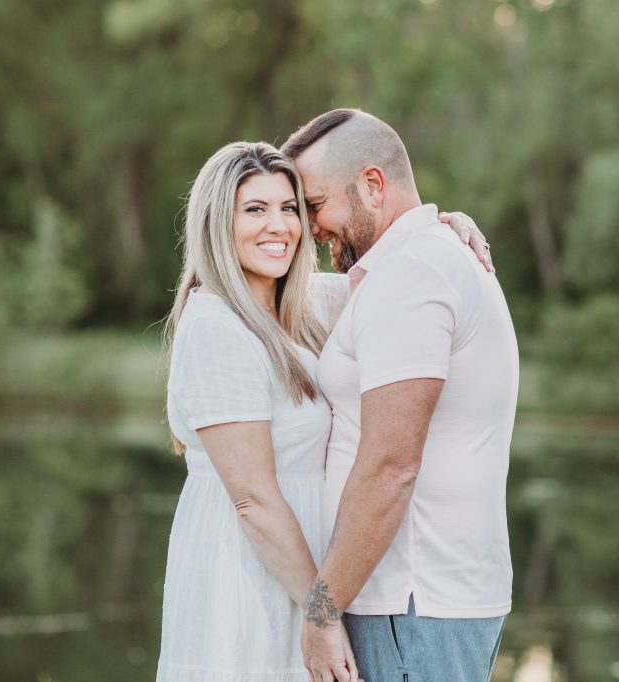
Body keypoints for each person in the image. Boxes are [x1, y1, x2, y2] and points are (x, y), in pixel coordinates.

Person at [156, 140, 490, 682]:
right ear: (217, 223)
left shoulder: (305, 305)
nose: (279, 226)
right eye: (255, 210)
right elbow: (254, 500)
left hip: (308, 580)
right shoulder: (216, 324)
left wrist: (441, 230)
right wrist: (324, 614)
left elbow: (396, 270)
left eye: (290, 208)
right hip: (250, 577)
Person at [282, 110, 519, 682]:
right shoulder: (407, 266)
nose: (309, 228)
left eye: (313, 205)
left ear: (372, 185)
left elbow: (391, 468)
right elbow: (276, 294)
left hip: (412, 605)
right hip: (418, 603)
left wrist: (320, 612)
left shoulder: (414, 273)